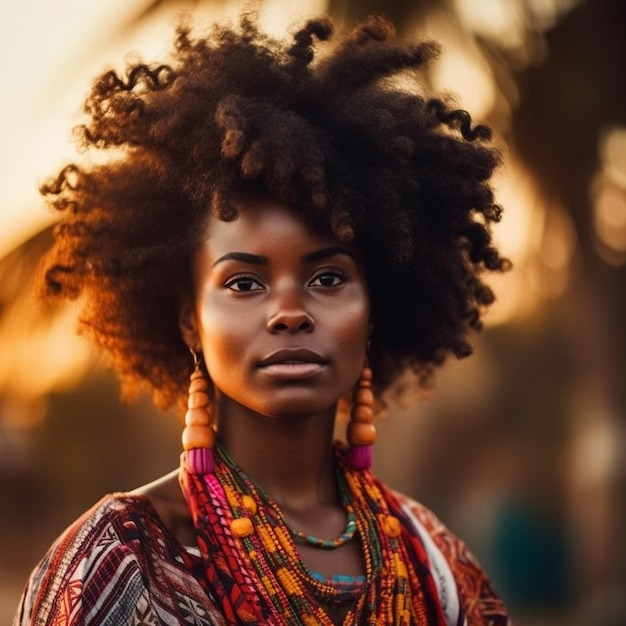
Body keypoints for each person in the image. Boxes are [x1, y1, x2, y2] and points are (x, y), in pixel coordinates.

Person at [14, 8, 513, 626]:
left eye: (328, 278)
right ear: (190, 320)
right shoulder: (117, 565)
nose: (289, 312)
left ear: (375, 309)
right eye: (244, 282)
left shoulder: (435, 563)